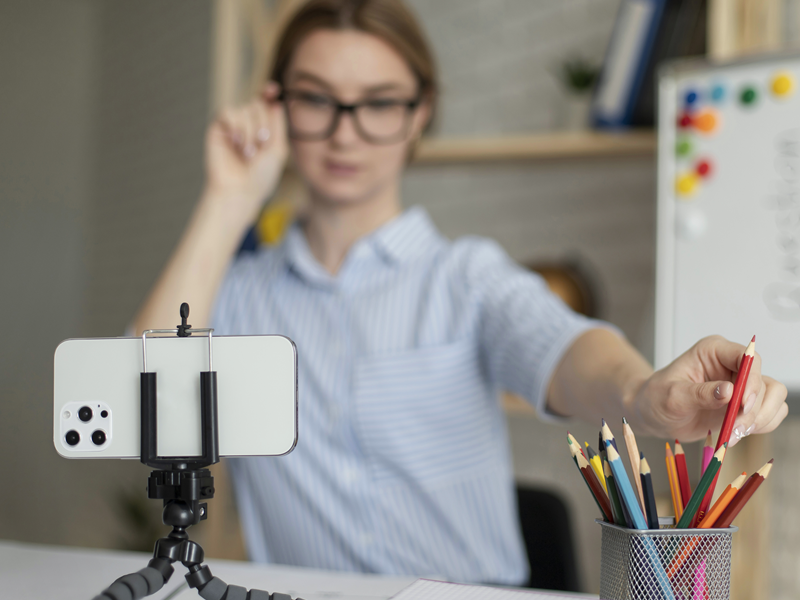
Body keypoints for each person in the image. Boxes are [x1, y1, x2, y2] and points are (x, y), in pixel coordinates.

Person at [133, 0, 789, 586]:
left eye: (379, 102)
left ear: (420, 113)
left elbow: (563, 347)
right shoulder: (236, 296)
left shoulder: (466, 277)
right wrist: (229, 197)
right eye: (316, 99)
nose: (345, 131)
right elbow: (138, 410)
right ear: (277, 106)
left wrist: (642, 393)